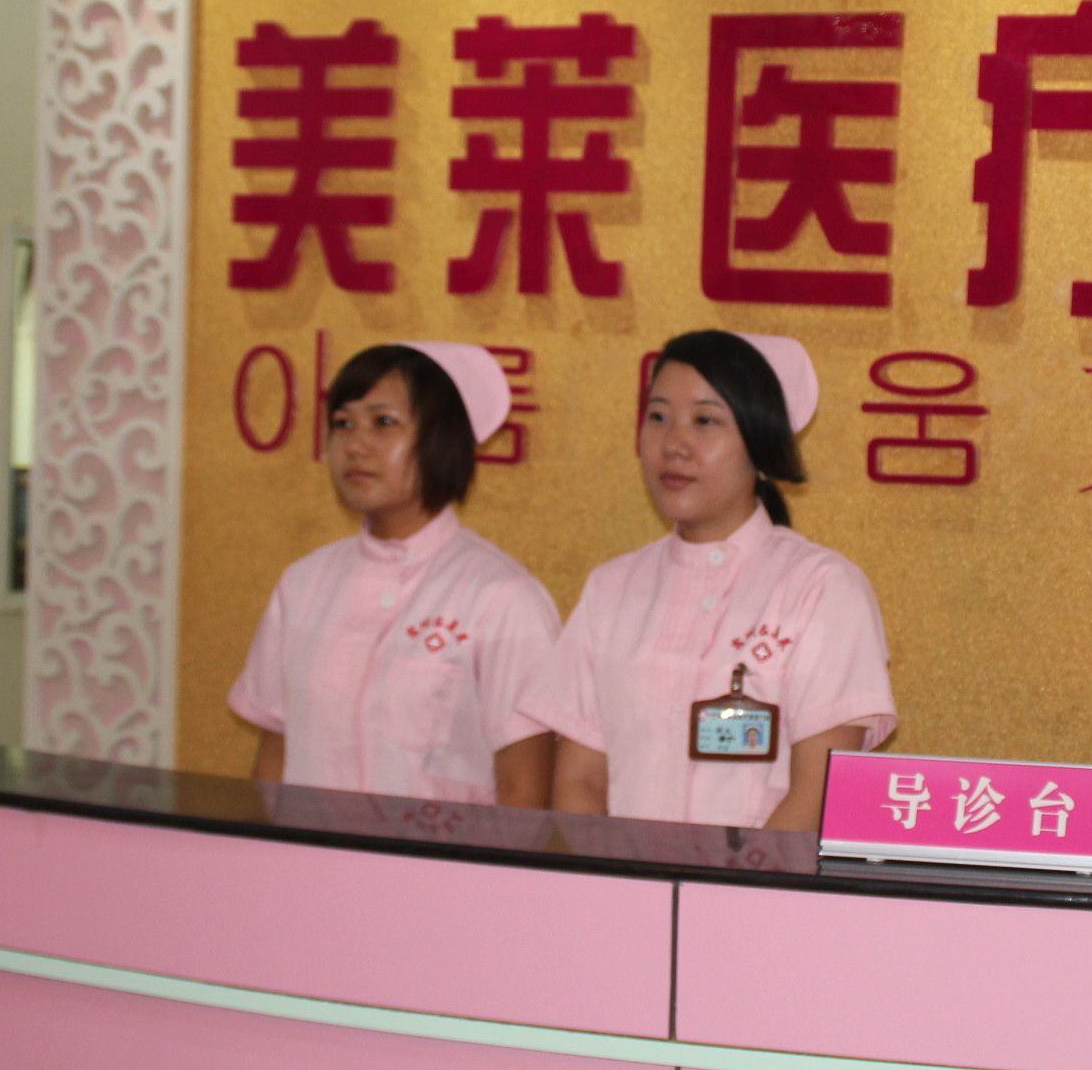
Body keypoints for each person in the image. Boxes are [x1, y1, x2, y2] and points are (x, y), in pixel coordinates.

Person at [523, 331, 895, 832]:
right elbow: (581, 782)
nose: (674, 444)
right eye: (658, 417)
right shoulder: (612, 588)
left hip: (760, 880)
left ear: (759, 445)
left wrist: (730, 884)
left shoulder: (820, 587)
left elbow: (818, 792)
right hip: (624, 879)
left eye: (705, 421)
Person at [231, 343, 559, 806]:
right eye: (343, 424)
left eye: (383, 423)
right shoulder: (303, 585)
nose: (356, 445)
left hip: (442, 856)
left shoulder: (502, 598)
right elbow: (274, 758)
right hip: (306, 851)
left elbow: (524, 792)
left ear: (441, 439)